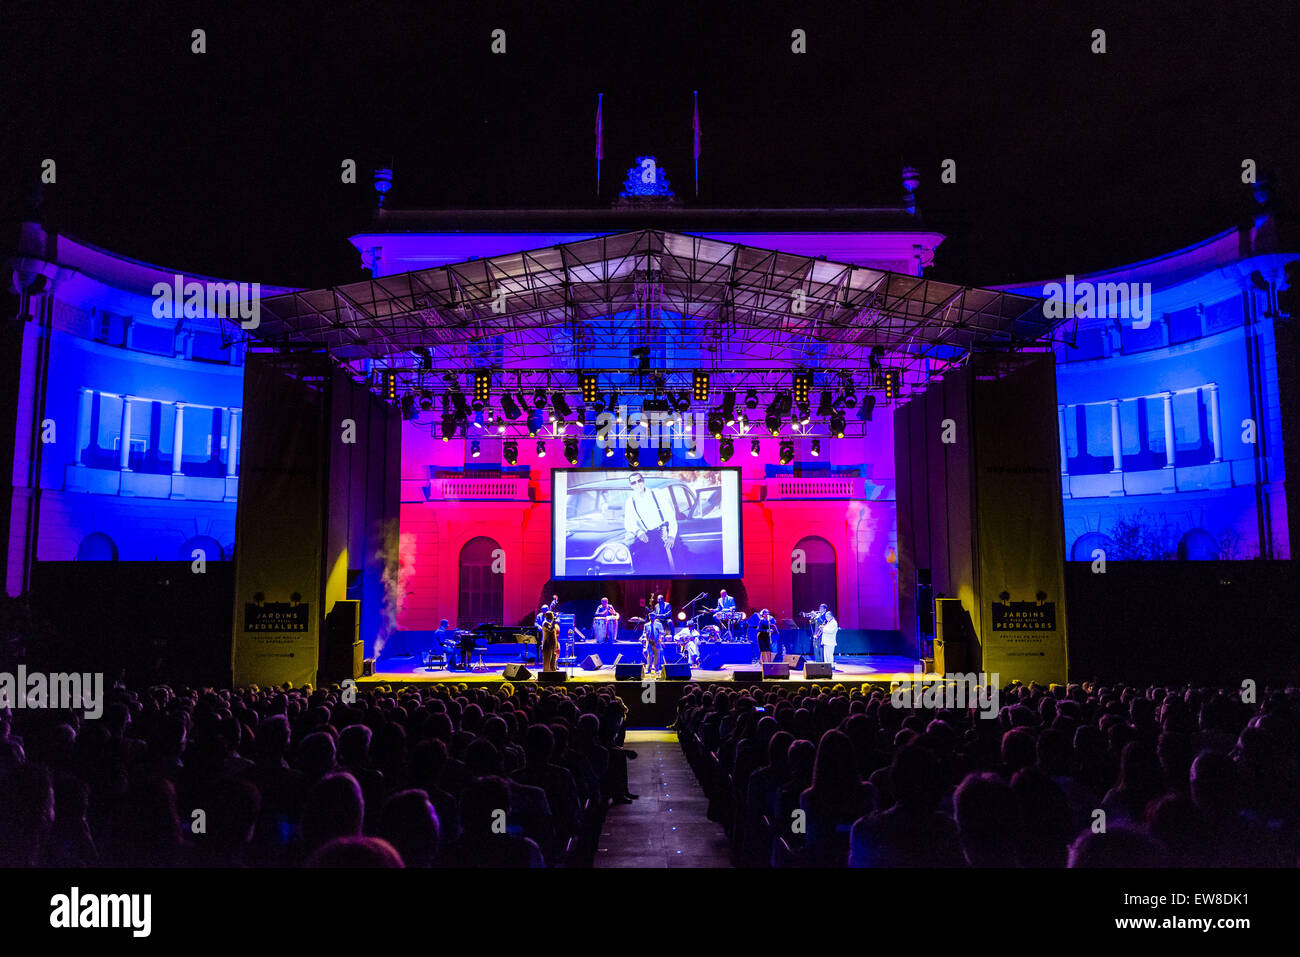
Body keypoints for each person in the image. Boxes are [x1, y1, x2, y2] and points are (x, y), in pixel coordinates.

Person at [623, 472, 678, 573]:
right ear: (631, 486)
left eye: (639, 481)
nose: (637, 484)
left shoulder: (657, 493)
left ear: (643, 481)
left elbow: (671, 515)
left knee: (675, 565)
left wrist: (672, 536)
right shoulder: (630, 502)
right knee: (655, 566)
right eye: (634, 483)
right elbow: (628, 522)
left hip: (667, 530)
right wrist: (639, 532)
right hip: (651, 536)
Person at [815, 604, 839, 670]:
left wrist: (823, 629)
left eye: (827, 616)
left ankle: (831, 667)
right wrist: (822, 627)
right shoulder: (828, 622)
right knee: (826, 656)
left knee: (829, 655)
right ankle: (826, 667)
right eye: (826, 616)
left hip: (830, 642)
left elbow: (831, 631)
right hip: (826, 641)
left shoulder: (834, 623)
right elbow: (826, 629)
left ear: (831, 616)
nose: (826, 617)